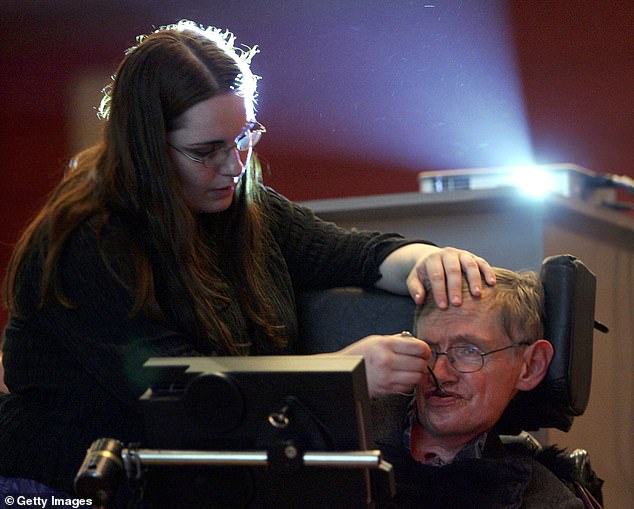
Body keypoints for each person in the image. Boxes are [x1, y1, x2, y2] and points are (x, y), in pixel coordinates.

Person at [0, 20, 494, 497]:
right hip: (70, 482)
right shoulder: (89, 244)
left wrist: (430, 261)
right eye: (205, 151)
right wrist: (343, 374)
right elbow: (187, 397)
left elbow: (357, 254)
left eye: (243, 138)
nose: (234, 167)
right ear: (147, 148)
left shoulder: (243, 209)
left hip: (200, 476)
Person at [377, 268, 588, 508]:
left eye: (469, 351)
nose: (440, 373)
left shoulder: (545, 501)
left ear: (531, 366)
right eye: (429, 350)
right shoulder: (342, 434)